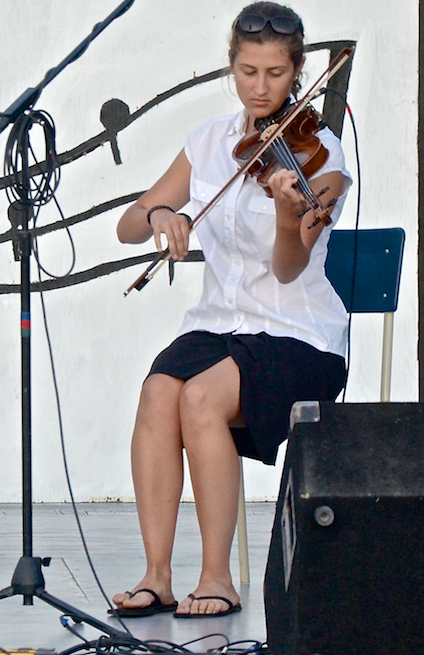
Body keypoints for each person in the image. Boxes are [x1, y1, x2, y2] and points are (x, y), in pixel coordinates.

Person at [113, 2, 350, 618]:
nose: (261, 87)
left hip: (299, 336)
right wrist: (164, 214)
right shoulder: (211, 144)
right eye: (248, 72)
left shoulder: (320, 156)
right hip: (220, 324)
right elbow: (127, 225)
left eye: (275, 73)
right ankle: (157, 575)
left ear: (297, 71)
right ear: (232, 68)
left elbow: (290, 268)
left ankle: (216, 577)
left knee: (200, 397)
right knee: (159, 390)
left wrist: (284, 211)